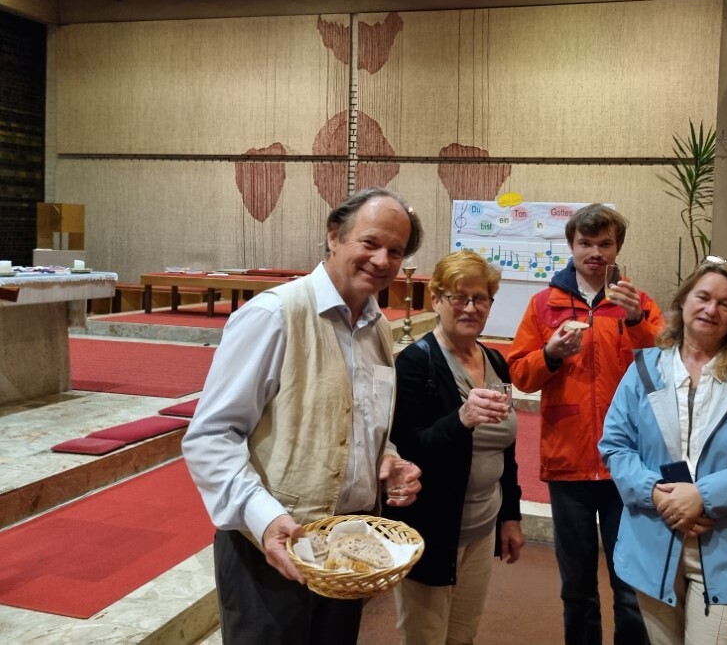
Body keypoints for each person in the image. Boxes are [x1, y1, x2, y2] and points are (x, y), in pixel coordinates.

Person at [182, 187, 425, 645]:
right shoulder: (274, 314)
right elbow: (212, 435)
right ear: (334, 235)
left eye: (395, 251)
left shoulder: (377, 328)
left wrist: (388, 459)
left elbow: (363, 422)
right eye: (370, 243)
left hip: (345, 554)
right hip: (271, 550)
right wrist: (265, 519)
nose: (382, 260)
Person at [599, 256, 727, 645]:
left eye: (725, 304)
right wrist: (657, 494)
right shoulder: (645, 369)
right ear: (683, 300)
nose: (711, 309)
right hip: (655, 538)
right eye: (703, 297)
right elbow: (616, 446)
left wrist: (703, 497)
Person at [507, 203, 663, 645]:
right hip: (568, 461)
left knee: (631, 586)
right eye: (585, 243)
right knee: (576, 587)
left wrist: (636, 324)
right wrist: (550, 355)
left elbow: (664, 371)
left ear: (617, 248)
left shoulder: (639, 304)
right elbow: (520, 374)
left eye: (604, 244)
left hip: (627, 464)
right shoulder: (544, 305)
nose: (595, 252)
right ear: (571, 247)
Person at [386, 250, 524, 645]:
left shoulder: (495, 361)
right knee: (426, 638)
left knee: (463, 636)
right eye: (458, 297)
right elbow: (408, 453)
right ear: (436, 299)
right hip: (433, 530)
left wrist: (510, 516)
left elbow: (505, 450)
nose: (470, 307)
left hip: (481, 527)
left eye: (480, 298)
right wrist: (461, 419)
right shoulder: (416, 364)